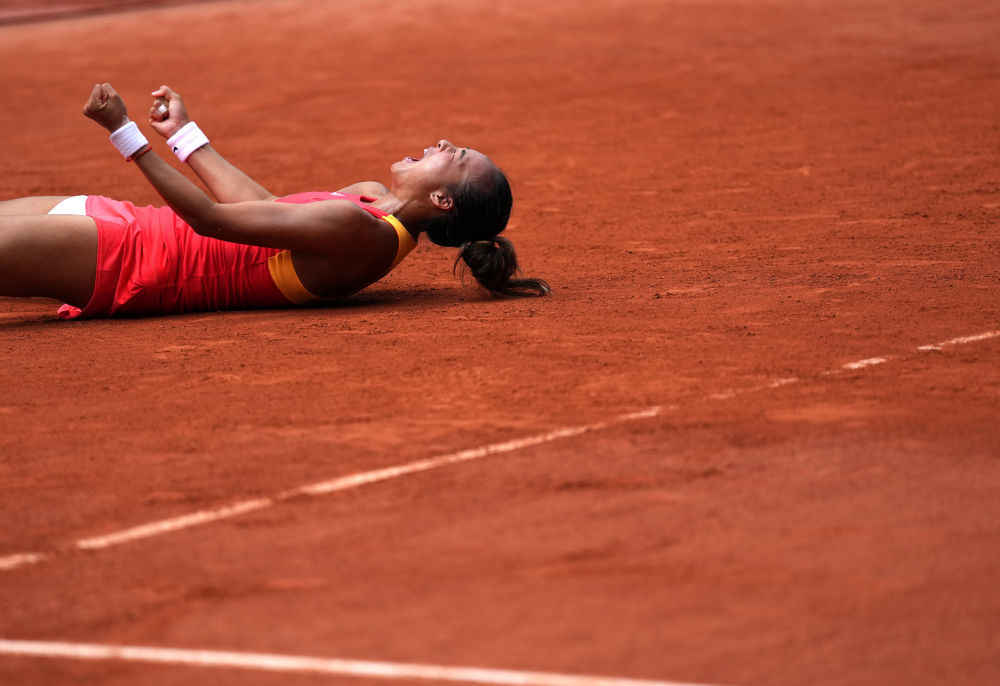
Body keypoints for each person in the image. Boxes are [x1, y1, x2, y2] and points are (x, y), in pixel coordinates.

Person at [0, 83, 549, 319]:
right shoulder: (370, 200)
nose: (444, 143)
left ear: (441, 200)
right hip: (126, 225)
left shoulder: (361, 233)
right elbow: (265, 208)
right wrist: (186, 134)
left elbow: (211, 221)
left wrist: (125, 133)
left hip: (128, 263)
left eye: (455, 157)